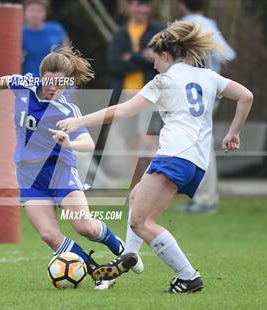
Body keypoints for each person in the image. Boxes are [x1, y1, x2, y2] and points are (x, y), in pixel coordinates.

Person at [57, 21, 253, 293]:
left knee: (141, 222)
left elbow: (122, 111)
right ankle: (128, 257)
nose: (153, 66)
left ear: (166, 56)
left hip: (174, 155)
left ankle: (188, 276)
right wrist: (233, 133)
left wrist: (78, 123)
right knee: (137, 196)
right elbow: (246, 96)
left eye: (155, 60)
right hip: (195, 161)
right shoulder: (208, 77)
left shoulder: (164, 81)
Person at [0, 47, 124, 290]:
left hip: (59, 170)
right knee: (49, 235)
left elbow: (88, 143)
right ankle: (99, 273)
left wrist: (70, 143)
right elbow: (3, 80)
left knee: (86, 227)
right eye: (50, 82)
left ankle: (122, 249)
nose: (54, 88)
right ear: (41, 77)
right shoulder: (25, 85)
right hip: (29, 175)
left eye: (61, 83)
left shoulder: (66, 109)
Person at [176, 0, 237, 213]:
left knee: (201, 146)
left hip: (193, 97)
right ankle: (202, 197)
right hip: (208, 96)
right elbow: (226, 56)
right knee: (200, 144)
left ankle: (206, 199)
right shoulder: (209, 24)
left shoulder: (184, 25)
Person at [101, 0, 163, 181]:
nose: (143, 9)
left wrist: (130, 58)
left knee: (150, 141)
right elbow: (114, 65)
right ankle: (136, 185)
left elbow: (160, 62)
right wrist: (142, 57)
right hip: (125, 95)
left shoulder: (158, 32)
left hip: (150, 96)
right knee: (130, 144)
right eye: (139, 5)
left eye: (146, 5)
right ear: (129, 7)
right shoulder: (120, 34)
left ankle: (159, 182)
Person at [22, 0, 69, 77]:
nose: (35, 14)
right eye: (32, 10)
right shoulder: (19, 32)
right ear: (24, 13)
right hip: (32, 81)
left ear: (45, 13)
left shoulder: (56, 29)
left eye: (39, 10)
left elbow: (67, 53)